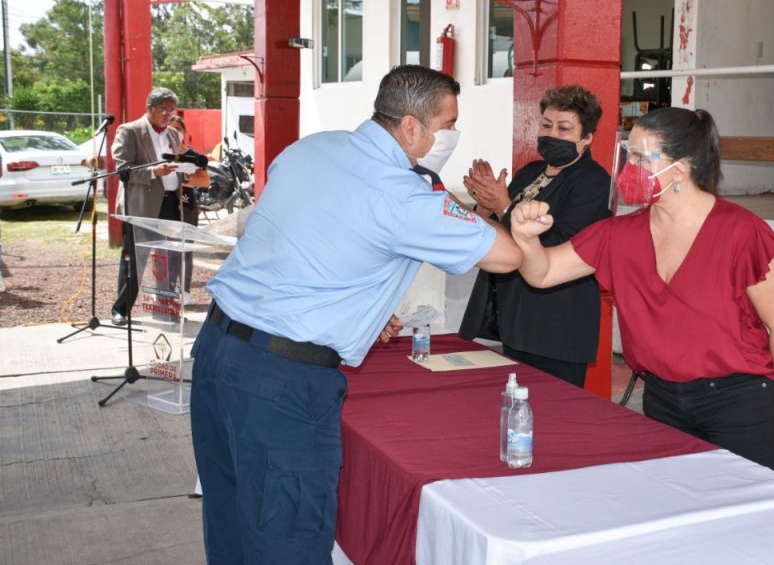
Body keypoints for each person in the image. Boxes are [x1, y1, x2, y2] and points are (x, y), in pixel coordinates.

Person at [190, 65, 521, 565]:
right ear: (412, 127)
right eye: (449, 124)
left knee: (233, 520)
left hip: (218, 351)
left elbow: (307, 243)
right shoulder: (405, 193)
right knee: (287, 536)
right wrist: (483, 207)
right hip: (282, 380)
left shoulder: (311, 148)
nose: (452, 135)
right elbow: (507, 256)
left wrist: (359, 311)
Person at [509, 107, 774, 469]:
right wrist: (527, 241)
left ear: (681, 169)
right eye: (628, 155)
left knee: (738, 514)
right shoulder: (620, 233)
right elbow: (542, 274)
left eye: (640, 158)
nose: (628, 169)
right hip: (662, 399)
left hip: (738, 401)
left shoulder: (740, 232)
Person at [459, 84, 611, 387]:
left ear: (587, 138)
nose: (551, 134)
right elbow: (506, 231)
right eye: (546, 124)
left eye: (564, 128)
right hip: (515, 317)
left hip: (556, 323)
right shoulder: (531, 172)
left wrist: (503, 205)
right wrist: (484, 207)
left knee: (553, 416)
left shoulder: (594, 181)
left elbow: (561, 244)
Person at [110, 87, 184, 325]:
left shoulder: (173, 134)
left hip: (171, 202)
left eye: (172, 110)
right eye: (164, 109)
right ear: (149, 108)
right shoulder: (130, 131)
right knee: (135, 259)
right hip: (141, 207)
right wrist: (153, 171)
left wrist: (186, 173)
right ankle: (121, 309)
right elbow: (122, 170)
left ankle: (165, 307)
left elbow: (177, 164)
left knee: (170, 259)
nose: (168, 115)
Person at [167, 114, 209, 302]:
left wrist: (184, 179)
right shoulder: (161, 154)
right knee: (169, 249)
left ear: (184, 132)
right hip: (167, 205)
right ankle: (167, 289)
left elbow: (205, 180)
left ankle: (185, 291)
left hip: (187, 205)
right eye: (171, 129)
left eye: (179, 129)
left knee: (186, 248)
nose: (175, 132)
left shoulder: (193, 156)